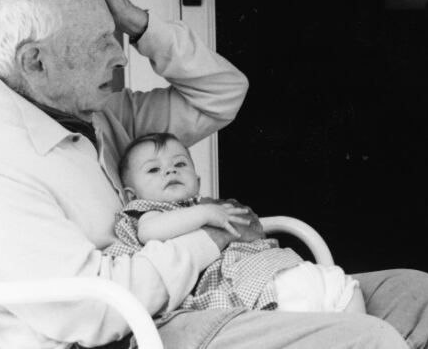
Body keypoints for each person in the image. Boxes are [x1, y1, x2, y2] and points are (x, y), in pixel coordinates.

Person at [0, 0, 428, 349]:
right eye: (101, 42)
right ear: (35, 62)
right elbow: (91, 312)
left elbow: (222, 93)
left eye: (116, 35)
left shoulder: (100, 115)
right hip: (134, 333)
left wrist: (138, 22)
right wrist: (209, 236)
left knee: (417, 297)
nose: (120, 56)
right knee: (364, 341)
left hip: (204, 296)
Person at [106, 132, 365, 314]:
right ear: (132, 194)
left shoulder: (205, 204)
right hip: (247, 284)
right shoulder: (148, 211)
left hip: (271, 268)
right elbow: (150, 232)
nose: (170, 171)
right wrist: (205, 214)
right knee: (313, 297)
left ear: (197, 180)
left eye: (180, 164)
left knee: (344, 288)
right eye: (153, 169)